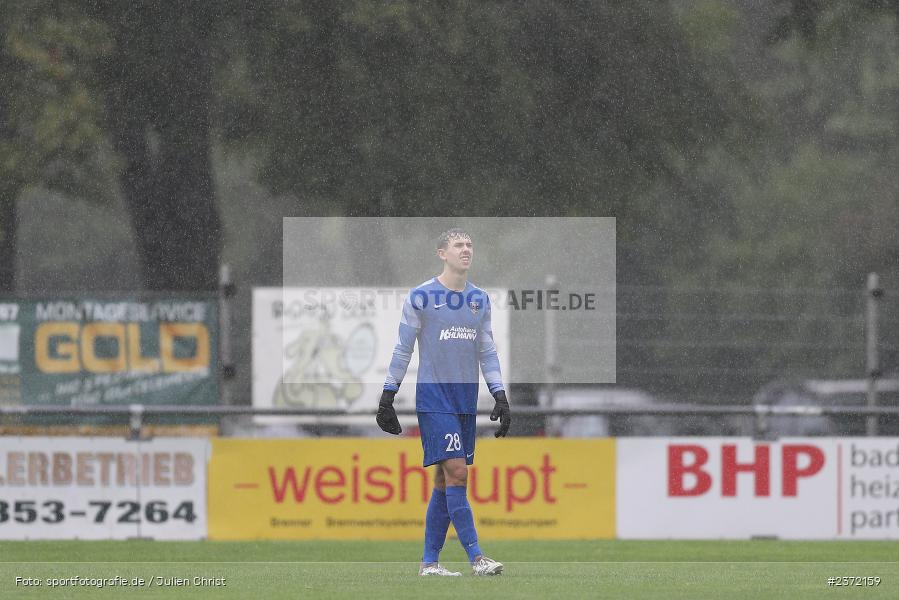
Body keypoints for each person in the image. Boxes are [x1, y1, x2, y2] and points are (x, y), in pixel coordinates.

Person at [377, 227, 512, 577]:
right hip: (435, 397)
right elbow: (403, 347)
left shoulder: (479, 299)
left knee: (443, 480)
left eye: (469, 244)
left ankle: (429, 563)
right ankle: (478, 558)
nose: (466, 250)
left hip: (465, 399)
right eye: (458, 245)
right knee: (457, 472)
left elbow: (487, 350)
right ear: (442, 253)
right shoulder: (422, 296)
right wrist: (387, 395)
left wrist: (499, 393)